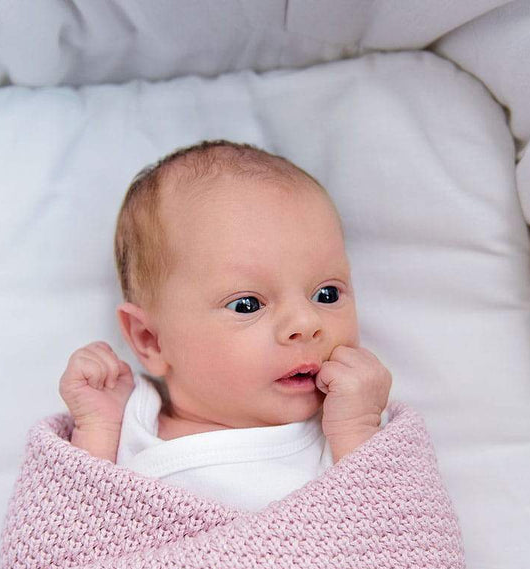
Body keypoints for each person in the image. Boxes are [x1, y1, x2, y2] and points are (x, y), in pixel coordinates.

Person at [58, 139, 392, 509]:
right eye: (247, 304)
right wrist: (97, 430)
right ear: (150, 339)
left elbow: (397, 532)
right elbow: (68, 528)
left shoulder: (352, 428)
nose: (306, 322)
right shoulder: (126, 423)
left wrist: (358, 432)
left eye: (327, 294)